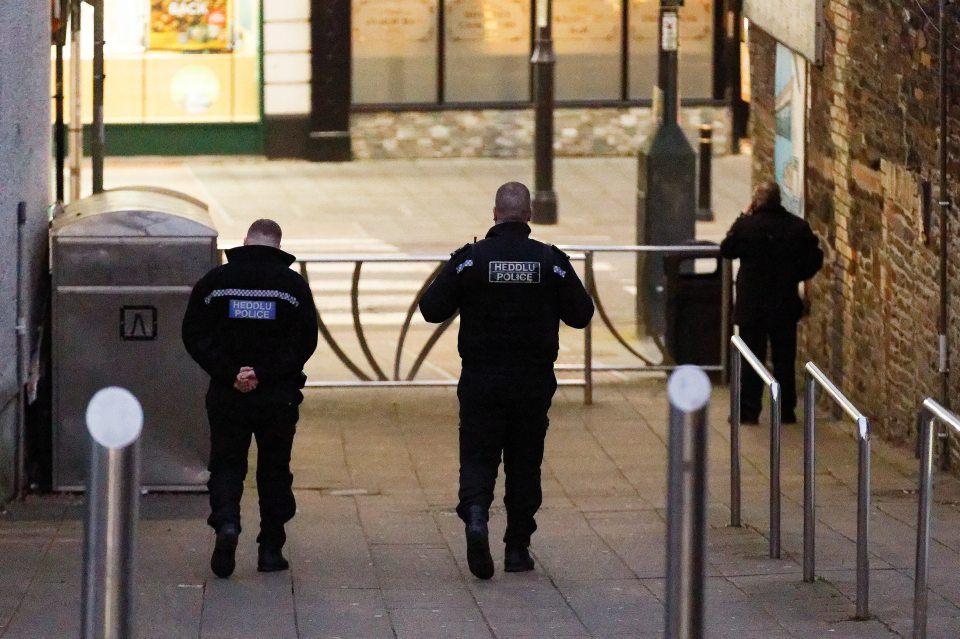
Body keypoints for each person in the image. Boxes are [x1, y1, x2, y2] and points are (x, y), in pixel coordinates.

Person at [419, 182, 594, 579]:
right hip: (532, 382)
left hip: (481, 379)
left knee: (479, 455)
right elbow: (581, 314)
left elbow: (431, 308)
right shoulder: (549, 260)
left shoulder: (471, 259)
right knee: (524, 462)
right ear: (529, 215)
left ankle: (477, 515)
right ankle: (517, 548)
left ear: (494, 214)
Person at [182, 219, 318, 578]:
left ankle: (227, 525)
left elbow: (193, 335)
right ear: (277, 245)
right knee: (274, 469)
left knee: (226, 465)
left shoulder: (214, 283)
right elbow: (304, 343)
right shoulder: (293, 286)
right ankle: (270, 549)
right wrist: (263, 373)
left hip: (227, 396)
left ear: (245, 242)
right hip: (277, 397)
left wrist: (230, 373)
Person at [720, 181, 823, 424]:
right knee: (784, 360)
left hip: (752, 306)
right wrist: (795, 275)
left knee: (751, 360)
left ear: (756, 202)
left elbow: (727, 249)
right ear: (779, 200)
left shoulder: (746, 226)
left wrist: (743, 216)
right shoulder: (797, 228)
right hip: (784, 304)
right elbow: (814, 259)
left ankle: (748, 410)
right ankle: (786, 410)